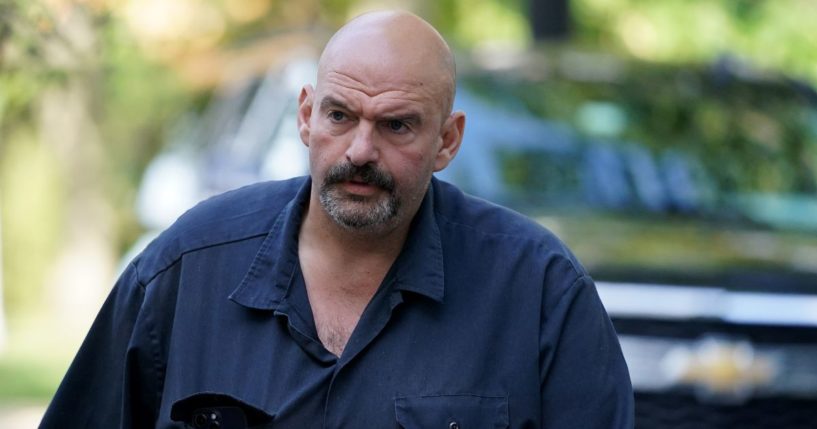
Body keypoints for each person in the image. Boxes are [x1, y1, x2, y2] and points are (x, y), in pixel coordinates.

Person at [41, 10, 633, 428]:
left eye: (397, 125)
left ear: (447, 141)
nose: (359, 151)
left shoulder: (538, 291)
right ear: (306, 116)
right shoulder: (187, 269)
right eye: (340, 115)